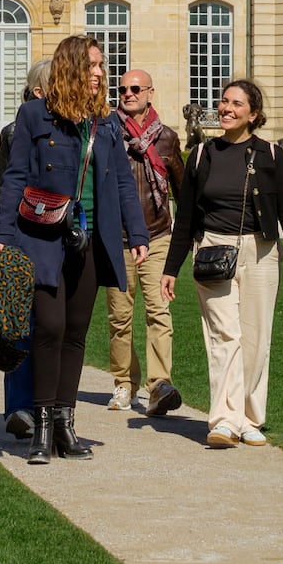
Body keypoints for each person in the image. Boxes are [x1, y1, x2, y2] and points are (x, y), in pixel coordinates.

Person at [0, 36, 149, 465]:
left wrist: (138, 235)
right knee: (49, 327)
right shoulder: (34, 115)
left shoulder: (106, 122)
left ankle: (64, 425)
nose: (99, 72)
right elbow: (14, 177)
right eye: (92, 65)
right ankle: (41, 428)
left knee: (75, 333)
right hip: (41, 236)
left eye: (101, 65)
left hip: (92, 239)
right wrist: (1, 233)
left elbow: (122, 182)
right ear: (71, 67)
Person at [161, 79, 283, 449]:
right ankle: (225, 421)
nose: (226, 109)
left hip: (260, 252)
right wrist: (170, 268)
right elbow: (185, 218)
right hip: (213, 250)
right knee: (224, 337)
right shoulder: (201, 155)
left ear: (253, 114)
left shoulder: (271, 155)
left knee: (256, 339)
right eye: (224, 101)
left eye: (236, 104)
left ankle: (249, 418)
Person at [105, 68, 185, 416]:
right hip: (117, 239)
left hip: (157, 237)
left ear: (150, 93)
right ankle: (124, 383)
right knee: (120, 317)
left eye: (135, 88)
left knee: (158, 312)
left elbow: (182, 190)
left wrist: (188, 237)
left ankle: (159, 385)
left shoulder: (167, 138)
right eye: (122, 89)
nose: (128, 93)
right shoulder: (107, 133)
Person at [0, 59, 51, 439]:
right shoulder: (12, 133)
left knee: (50, 325)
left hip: (53, 238)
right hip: (19, 237)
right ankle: (19, 408)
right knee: (15, 323)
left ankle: (47, 407)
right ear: (40, 91)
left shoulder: (73, 129)